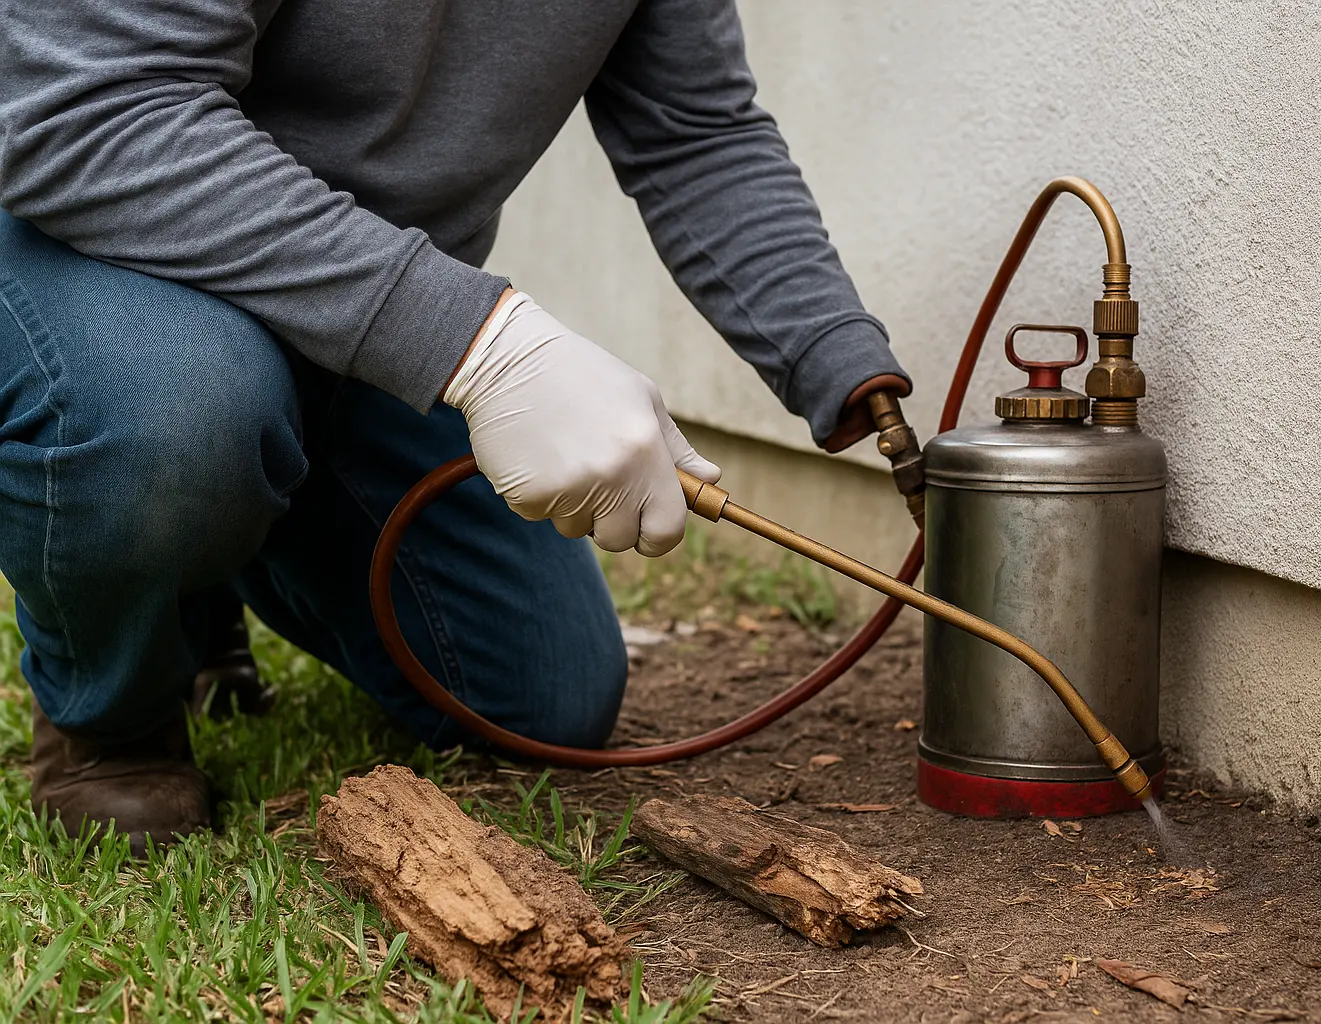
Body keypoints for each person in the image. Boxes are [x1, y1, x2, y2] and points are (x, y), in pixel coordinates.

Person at [0, 1, 911, 852]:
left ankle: (210, 542)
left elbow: (698, 137)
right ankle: (106, 722)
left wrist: (842, 367)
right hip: (101, 257)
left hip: (353, 313)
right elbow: (94, 111)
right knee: (178, 416)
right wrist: (483, 344)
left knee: (542, 696)